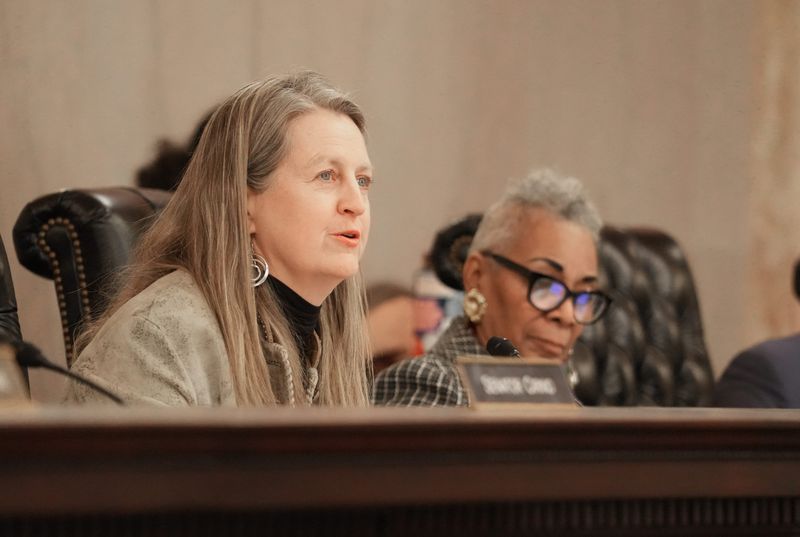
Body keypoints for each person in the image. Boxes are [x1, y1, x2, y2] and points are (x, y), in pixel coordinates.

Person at [65, 71, 374, 406]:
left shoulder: (327, 339)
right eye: (326, 176)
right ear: (243, 204)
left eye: (362, 180)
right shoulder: (154, 341)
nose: (355, 204)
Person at [373, 168, 611, 406]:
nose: (568, 316)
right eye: (546, 285)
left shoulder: (565, 403)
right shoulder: (431, 385)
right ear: (477, 276)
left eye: (583, 295)